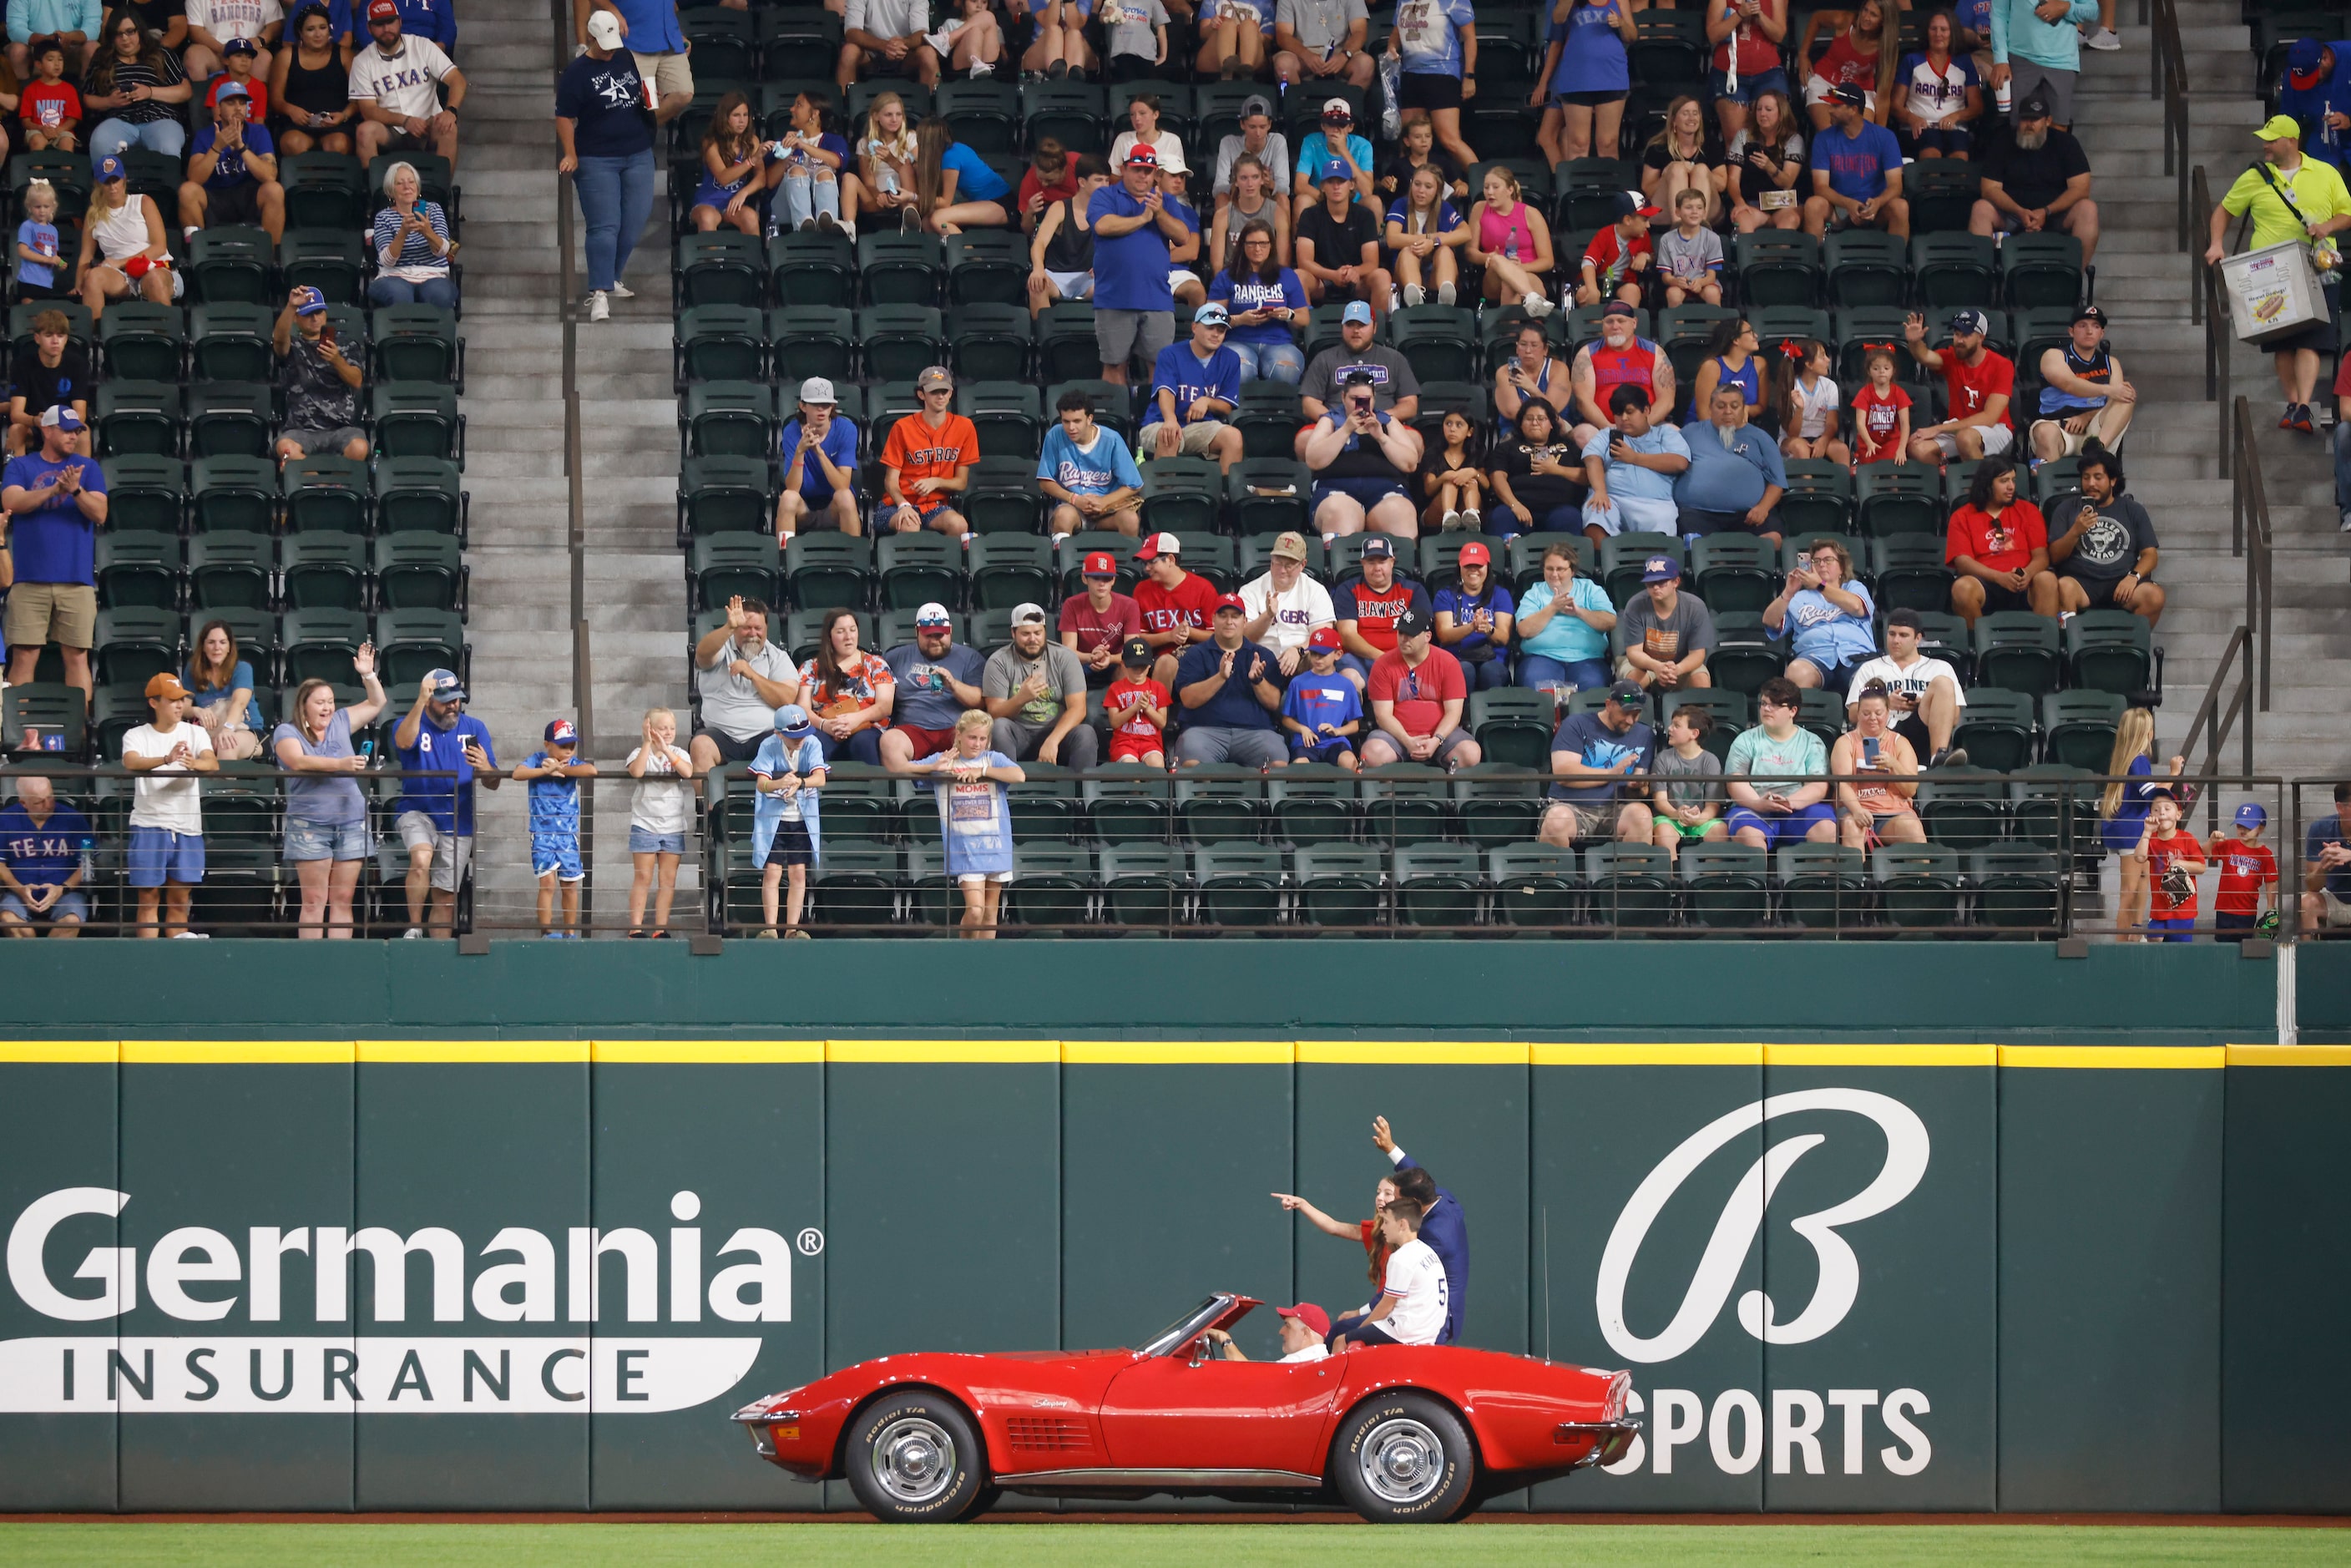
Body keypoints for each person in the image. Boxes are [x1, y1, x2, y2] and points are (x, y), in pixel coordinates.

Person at [2209, 116, 2351, 436]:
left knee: (2311, 339)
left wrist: (2327, 227)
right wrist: (2217, 243)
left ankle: (2303, 404)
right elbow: (2223, 211)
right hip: (2270, 271)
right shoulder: (2254, 176)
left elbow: (2347, 213)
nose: (2265, 145)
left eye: (2271, 140)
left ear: (2291, 140)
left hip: (2317, 265)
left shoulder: (2326, 173)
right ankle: (2293, 404)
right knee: (2282, 341)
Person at [271, 650, 387, 938]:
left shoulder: (341, 721)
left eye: (330, 701)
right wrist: (340, 765)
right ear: (304, 706)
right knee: (313, 901)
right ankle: (312, 965)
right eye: (320, 702)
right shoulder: (286, 731)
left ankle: (339, 963)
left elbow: (377, 702)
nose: (327, 707)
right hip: (310, 825)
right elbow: (298, 761)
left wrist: (368, 674)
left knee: (343, 900)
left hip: (351, 822)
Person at [2, 406, 106, 706]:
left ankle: (79, 734)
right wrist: (52, 490)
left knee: (77, 657)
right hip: (28, 579)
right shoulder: (21, 466)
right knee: (24, 656)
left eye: (76, 431)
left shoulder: (88, 468)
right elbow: (12, 501)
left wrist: (75, 491)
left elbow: (100, 513)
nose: (73, 436)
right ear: (47, 430)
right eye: (66, 430)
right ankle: (17, 738)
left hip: (76, 580)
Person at [557, 11, 653, 323]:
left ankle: (611, 277)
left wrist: (651, 99)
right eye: (604, 45)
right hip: (597, 157)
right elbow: (563, 117)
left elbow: (635, 91)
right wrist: (570, 154)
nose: (610, 50)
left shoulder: (624, 57)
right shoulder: (577, 73)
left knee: (635, 219)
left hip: (637, 151)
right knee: (604, 225)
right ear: (591, 38)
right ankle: (599, 293)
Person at [391, 667, 498, 938]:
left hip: (458, 818)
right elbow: (403, 742)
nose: (453, 705)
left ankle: (436, 960)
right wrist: (419, 702)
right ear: (429, 699)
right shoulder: (410, 722)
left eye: (456, 698)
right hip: (417, 809)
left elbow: (493, 782)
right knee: (421, 858)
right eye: (446, 699)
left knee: (446, 900)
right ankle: (414, 927)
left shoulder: (474, 728)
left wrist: (485, 766)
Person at [910, 709, 1023, 936]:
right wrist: (933, 767)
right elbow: (905, 769)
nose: (977, 744)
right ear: (959, 735)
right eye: (972, 737)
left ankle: (984, 962)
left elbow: (1019, 775)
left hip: (996, 843)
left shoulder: (993, 759)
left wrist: (982, 770)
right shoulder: (944, 759)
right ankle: (965, 957)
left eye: (983, 739)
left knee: (990, 912)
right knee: (975, 910)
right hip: (963, 847)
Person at [124, 672, 217, 938]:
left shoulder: (195, 732)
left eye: (182, 700)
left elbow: (212, 763)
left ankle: (176, 968)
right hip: (149, 825)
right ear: (154, 703)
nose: (180, 705)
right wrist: (167, 758)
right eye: (173, 700)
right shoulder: (136, 735)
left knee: (179, 900)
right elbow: (131, 761)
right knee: (149, 899)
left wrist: (193, 764)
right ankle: (149, 966)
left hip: (188, 827)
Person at [1093, 144, 1190, 384]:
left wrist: (1158, 213)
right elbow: (1103, 226)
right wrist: (1143, 218)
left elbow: (1183, 236)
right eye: (1137, 169)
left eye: (1148, 170)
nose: (1142, 175)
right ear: (1124, 169)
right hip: (1114, 297)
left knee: (1160, 367)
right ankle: (1115, 421)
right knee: (1114, 365)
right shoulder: (1105, 196)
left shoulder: (1165, 201)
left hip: (1156, 297)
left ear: (1155, 173)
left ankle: (1155, 421)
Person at [1969, 96, 2098, 260]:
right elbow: (1989, 189)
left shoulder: (2066, 143)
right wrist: (2019, 211)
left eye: (2035, 119)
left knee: (2088, 209)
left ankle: (2074, 280)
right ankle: (1985, 280)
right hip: (2012, 214)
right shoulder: (2002, 141)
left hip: (2054, 214)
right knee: (1981, 209)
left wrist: (2046, 211)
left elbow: (2081, 188)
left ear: (2048, 121)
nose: (2029, 124)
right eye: (2025, 119)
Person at [1305, 366, 1424, 539]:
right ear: (1343, 397)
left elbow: (1410, 463)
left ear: (1374, 399)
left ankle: (1401, 565)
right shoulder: (1330, 421)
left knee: (1401, 515)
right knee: (1339, 512)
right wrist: (1345, 430)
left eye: (1366, 399)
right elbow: (1313, 460)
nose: (1359, 404)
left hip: (1385, 490)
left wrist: (1382, 438)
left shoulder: (1387, 421)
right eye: (1354, 398)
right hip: (1335, 488)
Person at [2048, 449, 2162, 625]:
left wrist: (2133, 577)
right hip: (2081, 583)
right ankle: (2071, 647)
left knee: (2155, 596)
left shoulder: (2133, 510)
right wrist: (2075, 531)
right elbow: (2055, 557)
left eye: (2098, 477)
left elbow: (2150, 555)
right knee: (2063, 587)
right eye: (2086, 477)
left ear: (2113, 480)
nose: (2091, 483)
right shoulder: (2066, 508)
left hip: (2122, 582)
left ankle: (2129, 648)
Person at [1538, 678, 1656, 847]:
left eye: (1636, 714)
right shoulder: (1576, 724)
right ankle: (1553, 874)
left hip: (1616, 809)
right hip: (1572, 807)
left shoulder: (1645, 735)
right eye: (1625, 713)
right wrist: (1611, 774)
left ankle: (1632, 874)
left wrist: (1638, 787)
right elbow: (1564, 774)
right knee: (1557, 820)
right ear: (1609, 705)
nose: (1630, 721)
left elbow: (1636, 793)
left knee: (1642, 815)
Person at [1173, 594, 1288, 767]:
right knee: (1192, 762)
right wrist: (1220, 677)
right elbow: (1188, 700)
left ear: (1245, 621)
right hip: (1204, 731)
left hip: (1255, 732)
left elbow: (1273, 703)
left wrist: (1258, 680)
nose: (1229, 621)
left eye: (1235, 616)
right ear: (1213, 619)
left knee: (1278, 761)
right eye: (1223, 615)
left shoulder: (1262, 655)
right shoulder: (1196, 654)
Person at [1722, 676, 1835, 849]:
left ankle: (1819, 877)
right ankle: (1758, 877)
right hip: (1754, 808)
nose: (1767, 709)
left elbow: (1818, 786)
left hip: (1799, 808)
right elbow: (1735, 781)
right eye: (1764, 703)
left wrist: (1790, 802)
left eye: (1775, 705)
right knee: (1748, 834)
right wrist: (1757, 803)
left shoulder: (1812, 742)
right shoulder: (1745, 740)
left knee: (1826, 828)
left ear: (1792, 711)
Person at [1359, 607, 1478, 771]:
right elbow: (1383, 716)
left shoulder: (1448, 663)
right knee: (1372, 753)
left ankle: (1448, 794)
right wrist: (1408, 741)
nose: (1404, 639)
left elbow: (1454, 713)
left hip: (1441, 736)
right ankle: (1388, 795)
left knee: (1470, 753)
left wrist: (1436, 740)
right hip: (1396, 737)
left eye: (1411, 635)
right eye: (1401, 633)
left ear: (1427, 637)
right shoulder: (1383, 665)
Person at [1847, 607, 1967, 766]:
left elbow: (1955, 717)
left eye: (1903, 635)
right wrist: (1886, 704)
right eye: (1892, 634)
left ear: (1918, 638)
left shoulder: (1940, 667)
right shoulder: (1870, 668)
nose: (1896, 640)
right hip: (1883, 734)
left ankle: (1938, 758)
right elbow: (1853, 714)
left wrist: (1924, 705)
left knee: (1942, 683)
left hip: (1922, 732)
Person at [347, 0, 463, 167]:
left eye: (390, 22)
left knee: (449, 128)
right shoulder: (361, 62)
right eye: (379, 24)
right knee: (365, 131)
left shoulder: (423, 46)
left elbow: (457, 80)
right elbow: (368, 110)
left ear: (400, 22)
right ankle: (374, 190)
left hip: (428, 123)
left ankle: (442, 191)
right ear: (369, 28)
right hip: (390, 129)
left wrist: (451, 111)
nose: (387, 29)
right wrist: (404, 120)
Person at [983, 602, 1098, 769]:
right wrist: (1021, 699)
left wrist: (1052, 741)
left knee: (1086, 733)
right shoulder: (999, 661)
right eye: (1025, 634)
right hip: (1019, 735)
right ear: (1013, 633)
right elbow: (994, 712)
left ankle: (1081, 794)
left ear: (1045, 632)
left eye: (1038, 633)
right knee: (999, 727)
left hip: (1057, 735)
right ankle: (1007, 791)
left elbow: (1078, 709)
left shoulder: (1065, 658)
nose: (1032, 639)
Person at [690, 594, 797, 769]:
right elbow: (702, 654)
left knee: (788, 744)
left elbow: (787, 699)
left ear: (767, 628)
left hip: (766, 735)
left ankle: (777, 796)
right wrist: (728, 627)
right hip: (721, 735)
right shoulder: (721, 648)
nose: (753, 634)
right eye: (746, 628)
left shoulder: (778, 657)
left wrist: (753, 675)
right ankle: (709, 798)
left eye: (758, 628)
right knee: (700, 746)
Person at [1945, 457, 2055, 625]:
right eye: (2004, 481)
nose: (2011, 486)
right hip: (1985, 582)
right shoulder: (1962, 516)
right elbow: (1963, 562)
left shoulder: (2028, 510)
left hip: (2024, 581)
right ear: (1987, 484)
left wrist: (2029, 574)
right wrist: (1999, 577)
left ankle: (2044, 642)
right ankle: (1979, 645)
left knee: (2047, 580)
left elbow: (2041, 556)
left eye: (2013, 480)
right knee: (1962, 588)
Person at [513, 716, 595, 939]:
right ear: (547, 744)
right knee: (547, 883)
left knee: (569, 884)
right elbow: (517, 774)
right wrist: (546, 770)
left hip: (567, 835)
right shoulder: (537, 759)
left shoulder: (573, 764)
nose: (568, 751)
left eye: (571, 746)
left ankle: (570, 933)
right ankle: (546, 932)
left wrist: (561, 769)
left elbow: (591, 771)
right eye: (562, 746)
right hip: (542, 834)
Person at [2097, 706, 2177, 939]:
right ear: (2147, 733)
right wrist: (2174, 776)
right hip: (2132, 830)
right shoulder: (2139, 760)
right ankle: (2122, 943)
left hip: (2128, 827)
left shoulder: (2125, 758)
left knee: (2143, 880)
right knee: (2129, 890)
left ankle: (2135, 933)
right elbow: (2150, 795)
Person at [1676, 382, 1787, 544]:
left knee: (1773, 539)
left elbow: (1777, 482)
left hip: (1748, 515)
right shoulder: (1690, 432)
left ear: (1743, 409)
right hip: (1696, 513)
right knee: (1694, 543)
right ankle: (1716, 567)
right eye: (1721, 406)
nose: (1728, 411)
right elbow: (1670, 462)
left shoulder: (1761, 438)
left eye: (1734, 406)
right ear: (1710, 408)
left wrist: (1763, 508)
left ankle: (1743, 568)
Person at [881, 602, 988, 771]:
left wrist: (953, 684)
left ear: (950, 630)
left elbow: (979, 702)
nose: (935, 641)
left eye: (940, 635)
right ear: (917, 632)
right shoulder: (895, 657)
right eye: (928, 636)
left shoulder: (970, 658)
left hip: (956, 729)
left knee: (979, 738)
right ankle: (914, 779)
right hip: (912, 729)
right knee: (889, 741)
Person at [751, 704, 826, 939]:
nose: (800, 740)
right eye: (794, 736)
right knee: (772, 873)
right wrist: (779, 783)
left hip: (802, 819)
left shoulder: (812, 744)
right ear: (779, 733)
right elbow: (761, 784)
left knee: (798, 874)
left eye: (803, 734)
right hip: (774, 820)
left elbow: (820, 778)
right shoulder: (768, 746)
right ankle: (771, 929)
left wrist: (800, 784)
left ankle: (792, 929)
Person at [1580, 383, 1690, 542]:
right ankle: (1605, 564)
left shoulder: (1665, 433)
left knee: (1661, 522)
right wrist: (1600, 491)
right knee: (1595, 511)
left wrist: (1634, 458)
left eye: (1629, 412)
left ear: (1646, 410)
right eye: (1618, 413)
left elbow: (1680, 463)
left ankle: (1640, 565)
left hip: (1656, 503)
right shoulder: (1607, 435)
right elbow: (1592, 460)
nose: (1623, 418)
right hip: (1612, 498)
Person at [1142, 302, 1244, 471]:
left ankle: (1224, 494)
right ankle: (1165, 494)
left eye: (1221, 330)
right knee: (1170, 435)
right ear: (1195, 327)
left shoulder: (1231, 359)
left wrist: (1207, 402)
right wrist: (1170, 420)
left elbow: (1226, 406)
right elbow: (1165, 391)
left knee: (1233, 437)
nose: (1216, 334)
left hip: (1201, 427)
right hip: (1159, 423)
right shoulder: (1170, 354)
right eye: (1210, 328)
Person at [1904, 307, 2015, 463]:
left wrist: (1938, 428)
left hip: (1997, 429)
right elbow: (1925, 357)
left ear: (1980, 337)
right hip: (1959, 427)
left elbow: (1989, 418)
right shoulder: (1953, 357)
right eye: (1957, 334)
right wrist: (1915, 342)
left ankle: (1980, 486)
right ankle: (1952, 482)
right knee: (1917, 446)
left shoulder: (2002, 365)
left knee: (1966, 438)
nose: (1959, 340)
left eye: (1966, 335)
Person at [1767, 537, 1876, 691]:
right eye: (1816, 561)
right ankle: (1807, 716)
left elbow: (1857, 607)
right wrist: (1788, 593)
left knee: (1871, 677)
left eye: (1828, 560)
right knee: (1796, 671)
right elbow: (1770, 622)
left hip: (1857, 657)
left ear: (1842, 567)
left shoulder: (1854, 587)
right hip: (1814, 658)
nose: (1822, 564)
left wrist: (1820, 585)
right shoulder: (1799, 598)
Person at [877, 366, 977, 536]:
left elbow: (961, 482)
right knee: (910, 525)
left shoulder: (965, 427)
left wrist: (936, 482)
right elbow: (890, 481)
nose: (940, 396)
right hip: (895, 505)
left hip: (935, 506)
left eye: (945, 391)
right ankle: (909, 563)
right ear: (921, 394)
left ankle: (943, 562)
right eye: (934, 392)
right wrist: (903, 505)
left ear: (951, 393)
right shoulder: (902, 427)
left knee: (959, 524)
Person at [272, 284, 367, 463]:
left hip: (340, 428)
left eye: (319, 312)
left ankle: (312, 477)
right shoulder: (293, 346)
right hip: (301, 429)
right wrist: (291, 306)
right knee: (285, 449)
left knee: (360, 448)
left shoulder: (347, 345)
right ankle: (324, 483)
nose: (315, 318)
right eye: (308, 314)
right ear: (296, 319)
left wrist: (336, 359)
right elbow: (278, 339)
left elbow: (356, 381)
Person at [1537, 0, 1637, 167]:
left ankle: (1610, 191)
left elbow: (1632, 35)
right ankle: (1578, 192)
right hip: (1576, 77)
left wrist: (1621, 24)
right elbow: (1558, 19)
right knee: (1578, 142)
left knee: (1608, 142)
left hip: (1612, 75)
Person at [81, 10, 191, 160]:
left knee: (167, 145)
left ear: (140, 31)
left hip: (160, 118)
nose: (125, 39)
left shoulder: (161, 53)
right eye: (118, 34)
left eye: (130, 32)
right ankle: (106, 184)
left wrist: (150, 92)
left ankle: (166, 184)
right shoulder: (103, 57)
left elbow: (185, 91)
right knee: (100, 142)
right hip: (119, 119)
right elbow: (88, 97)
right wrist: (109, 102)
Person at [2030, 305, 2134, 463]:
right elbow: (2070, 384)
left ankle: (2096, 451)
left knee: (2126, 397)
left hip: (2095, 430)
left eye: (2096, 326)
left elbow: (2116, 398)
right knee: (2045, 432)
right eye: (2082, 326)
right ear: (2071, 331)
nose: (2089, 331)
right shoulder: (2054, 355)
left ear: (2101, 333)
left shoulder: (2111, 363)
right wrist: (2108, 390)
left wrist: (2087, 416)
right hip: (2058, 426)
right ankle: (2047, 484)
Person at [791, 608, 894, 767]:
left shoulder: (876, 663)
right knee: (813, 744)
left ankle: (873, 791)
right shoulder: (810, 667)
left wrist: (856, 719)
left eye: (853, 630)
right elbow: (802, 708)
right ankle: (810, 790)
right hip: (824, 726)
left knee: (863, 743)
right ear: (829, 636)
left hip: (866, 726)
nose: (849, 637)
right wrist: (824, 725)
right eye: (841, 631)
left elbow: (885, 706)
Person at [1208, 219, 1307, 381]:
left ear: (1271, 245)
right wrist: (1240, 320)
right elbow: (1211, 318)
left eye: (1263, 243)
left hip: (1278, 342)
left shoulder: (1287, 276)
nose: (1257, 249)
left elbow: (1303, 319)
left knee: (1285, 372)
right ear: (1242, 245)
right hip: (1237, 341)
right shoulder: (1226, 277)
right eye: (1251, 243)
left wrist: (1288, 315)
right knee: (1239, 371)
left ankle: (1279, 407)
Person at [1803, 84, 1907, 238]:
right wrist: (1848, 204)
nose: (1829, 110)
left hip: (1875, 208)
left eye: (1836, 106)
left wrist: (1878, 202)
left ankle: (1895, 260)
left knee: (1901, 206)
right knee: (1813, 205)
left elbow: (1896, 185)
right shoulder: (1823, 138)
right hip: (1839, 208)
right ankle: (1815, 260)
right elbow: (1820, 187)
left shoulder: (1885, 137)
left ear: (1853, 109)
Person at [1384, 0, 1476, 173]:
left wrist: (1469, 75)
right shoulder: (1403, 1)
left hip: (1442, 73)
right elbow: (1396, 34)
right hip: (1411, 74)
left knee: (1449, 140)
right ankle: (1408, 191)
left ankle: (1483, 185)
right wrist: (1392, 47)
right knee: (1408, 141)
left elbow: (1470, 38)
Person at [76, 154, 174, 316]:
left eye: (116, 180)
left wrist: (120, 262)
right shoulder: (93, 214)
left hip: (152, 266)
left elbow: (159, 247)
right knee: (92, 277)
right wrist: (79, 285)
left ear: (124, 179)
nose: (113, 187)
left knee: (154, 279)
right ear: (98, 184)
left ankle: (168, 335)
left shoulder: (143, 202)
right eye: (107, 182)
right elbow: (86, 255)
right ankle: (96, 337)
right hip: (120, 276)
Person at [1037, 389, 1143, 539]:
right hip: (1073, 508)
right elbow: (1044, 481)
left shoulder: (1111, 439)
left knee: (1131, 520)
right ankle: (1061, 560)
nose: (1071, 428)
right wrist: (1075, 499)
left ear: (1089, 418)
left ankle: (1125, 561)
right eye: (1066, 421)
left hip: (1107, 511)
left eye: (1077, 421)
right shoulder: (1055, 436)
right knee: (1062, 515)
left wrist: (1104, 502)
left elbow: (1134, 484)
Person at [1298, 299, 1419, 429]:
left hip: (1384, 426)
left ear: (1375, 328)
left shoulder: (1394, 358)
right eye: (1350, 325)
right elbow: (1309, 404)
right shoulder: (1324, 358)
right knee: (1304, 439)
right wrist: (1337, 420)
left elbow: (1410, 404)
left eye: (1362, 325)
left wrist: (1382, 417)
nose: (1356, 330)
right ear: (1342, 327)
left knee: (1415, 440)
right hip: (1336, 428)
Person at [1513, 540, 1614, 696]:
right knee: (1537, 686)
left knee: (1593, 688)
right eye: (1549, 569)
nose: (1554, 574)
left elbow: (1610, 622)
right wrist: (1552, 608)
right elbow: (1524, 630)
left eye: (1560, 569)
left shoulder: (1590, 589)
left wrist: (1580, 612)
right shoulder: (1535, 593)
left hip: (1588, 659)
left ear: (1572, 571)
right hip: (1541, 657)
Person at [625, 706, 694, 938]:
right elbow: (636, 772)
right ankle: (635, 927)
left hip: (673, 825)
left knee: (668, 879)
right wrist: (648, 743)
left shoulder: (679, 753)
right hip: (645, 823)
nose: (667, 732)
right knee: (643, 877)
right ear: (649, 728)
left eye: (671, 728)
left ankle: (660, 928)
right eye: (662, 728)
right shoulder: (638, 752)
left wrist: (666, 750)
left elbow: (687, 772)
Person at [1831, 683, 1923, 848]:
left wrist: (1894, 765)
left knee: (1913, 828)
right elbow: (1842, 784)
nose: (1872, 718)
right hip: (1855, 807)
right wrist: (1858, 810)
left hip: (1892, 811)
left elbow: (1911, 790)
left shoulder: (1900, 743)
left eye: (1878, 713)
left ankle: (1921, 875)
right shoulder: (1845, 743)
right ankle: (1855, 874)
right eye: (1866, 713)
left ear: (1887, 713)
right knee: (1853, 826)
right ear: (1858, 714)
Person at [1569, 301, 1673, 447]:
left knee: (1673, 433)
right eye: (1609, 322)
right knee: (1583, 434)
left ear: (1634, 323)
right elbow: (1583, 401)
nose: (1615, 326)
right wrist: (1610, 428)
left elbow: (1666, 400)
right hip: (1601, 429)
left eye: (1621, 321)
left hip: (1649, 427)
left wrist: (1642, 426)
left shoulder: (1655, 352)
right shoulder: (1586, 354)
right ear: (1603, 325)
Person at [1985, 0, 2098, 134]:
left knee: (2059, 129)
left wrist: (2066, 8)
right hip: (2020, 59)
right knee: (2020, 127)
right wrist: (2000, 60)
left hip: (2062, 61)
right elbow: (1999, 14)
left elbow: (2093, 11)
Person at [1294, 156, 1390, 311]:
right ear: (1323, 186)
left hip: (1356, 279)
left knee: (1382, 276)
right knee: (1298, 276)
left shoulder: (1365, 215)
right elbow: (1304, 261)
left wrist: (1355, 271)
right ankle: (1306, 329)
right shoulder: (1310, 215)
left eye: (1341, 181)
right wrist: (1333, 275)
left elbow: (1372, 262)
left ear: (1351, 185)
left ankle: (1375, 329)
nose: (1336, 186)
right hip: (1321, 279)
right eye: (1330, 182)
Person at [1240, 529, 1337, 680]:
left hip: (1303, 659)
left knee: (1322, 660)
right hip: (1261, 658)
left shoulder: (1316, 591)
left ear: (1302, 564)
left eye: (1289, 565)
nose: (1282, 570)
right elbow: (1244, 638)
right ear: (1271, 560)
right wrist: (1268, 616)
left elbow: (1322, 637)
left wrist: (1298, 651)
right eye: (1278, 562)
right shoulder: (1250, 590)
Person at [0, 775, 89, 937]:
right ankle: (34, 961)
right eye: (39, 802)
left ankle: (49, 961)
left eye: (50, 798)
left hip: (65, 893)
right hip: (19, 893)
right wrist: (19, 889)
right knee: (8, 917)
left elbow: (88, 862)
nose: (48, 805)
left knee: (72, 919)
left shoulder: (74, 819)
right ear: (23, 803)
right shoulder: (4, 820)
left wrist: (63, 888)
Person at [1465, 164, 1557, 320]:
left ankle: (1509, 337)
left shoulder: (1531, 213)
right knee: (1498, 259)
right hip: (1492, 274)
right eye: (1486, 187)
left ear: (1510, 190)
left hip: (1529, 273)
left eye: (1495, 187)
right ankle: (1530, 296)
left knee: (1510, 284)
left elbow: (1548, 261)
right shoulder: (1479, 208)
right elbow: (1470, 252)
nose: (1490, 192)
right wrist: (1488, 258)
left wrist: (1519, 267)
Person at [775, 378, 861, 539]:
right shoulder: (791, 431)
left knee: (846, 496)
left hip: (833, 506)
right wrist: (800, 451)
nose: (821, 409)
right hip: (804, 507)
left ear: (832, 407)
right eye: (815, 405)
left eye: (826, 404)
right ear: (803, 406)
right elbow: (793, 487)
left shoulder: (846, 429)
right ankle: (784, 557)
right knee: (787, 498)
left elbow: (843, 484)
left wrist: (819, 452)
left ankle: (854, 555)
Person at [1489, 398, 1587, 537]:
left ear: (1551, 424)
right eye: (1529, 418)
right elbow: (1497, 476)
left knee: (1570, 518)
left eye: (1541, 418)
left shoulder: (1569, 446)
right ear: (1521, 424)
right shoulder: (1508, 447)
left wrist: (1556, 470)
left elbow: (1587, 476)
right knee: (1500, 517)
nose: (1535, 423)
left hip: (1560, 507)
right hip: (1517, 507)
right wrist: (1514, 505)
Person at [1617, 554, 1715, 691]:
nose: (1656, 587)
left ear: (1676, 582)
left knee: (1701, 680)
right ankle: (1629, 711)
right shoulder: (1635, 605)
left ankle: (1699, 713)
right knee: (1631, 684)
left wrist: (1677, 669)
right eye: (1651, 583)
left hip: (1682, 663)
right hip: (1646, 664)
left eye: (1662, 582)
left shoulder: (1695, 607)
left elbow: (1697, 654)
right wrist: (1657, 667)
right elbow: (1634, 654)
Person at [1132, 530, 1219, 685]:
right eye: (1145, 563)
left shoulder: (1203, 588)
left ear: (1171, 559)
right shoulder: (1141, 590)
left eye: (1152, 562)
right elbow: (1138, 637)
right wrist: (1170, 636)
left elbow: (1218, 636)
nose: (1147, 568)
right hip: (1155, 657)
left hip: (1199, 655)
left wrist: (1190, 632)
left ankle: (1158, 710)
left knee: (1167, 662)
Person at [1892, 8, 1979, 161]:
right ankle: (1931, 185)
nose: (1938, 34)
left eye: (1944, 29)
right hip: (1918, 128)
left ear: (1953, 33)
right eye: (1933, 29)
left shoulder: (1964, 62)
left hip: (1954, 127)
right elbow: (1895, 105)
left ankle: (1957, 185)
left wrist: (1956, 116)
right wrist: (1911, 118)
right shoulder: (1912, 60)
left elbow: (1977, 106)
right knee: (1931, 145)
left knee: (1959, 152)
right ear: (1927, 32)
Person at [1027, 154, 1106, 316]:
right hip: (1056, 276)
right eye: (1099, 180)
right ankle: (1045, 336)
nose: (1105, 186)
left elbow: (1119, 246)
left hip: (1089, 278)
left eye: (1107, 180)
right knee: (1036, 286)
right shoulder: (1060, 208)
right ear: (1082, 182)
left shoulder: (1108, 211)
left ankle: (1097, 338)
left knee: (1110, 287)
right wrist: (1038, 269)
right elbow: (1040, 243)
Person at [1797, 0, 1894, 129]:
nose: (1866, 17)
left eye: (1873, 15)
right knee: (1832, 135)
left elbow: (1883, 97)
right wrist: (1803, 54)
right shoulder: (1844, 20)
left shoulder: (1886, 47)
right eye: (1865, 10)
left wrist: (1882, 134)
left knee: (1861, 138)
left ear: (1883, 21)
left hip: (1861, 90)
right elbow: (1817, 18)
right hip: (1827, 82)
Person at [1706, 0, 1792, 147]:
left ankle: (1770, 169)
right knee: (1735, 139)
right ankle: (1735, 169)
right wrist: (1740, 14)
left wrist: (1760, 16)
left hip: (1768, 73)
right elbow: (1713, 35)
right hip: (1730, 75)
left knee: (1773, 132)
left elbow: (1779, 35)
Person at [1432, 540, 1513, 691]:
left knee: (1490, 671)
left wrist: (1488, 629)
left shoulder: (1501, 594)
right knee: (1464, 670)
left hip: (1493, 657)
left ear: (1487, 567)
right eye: (1468, 565)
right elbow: (1444, 635)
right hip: (1456, 657)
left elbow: (1503, 638)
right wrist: (1471, 627)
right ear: (1460, 567)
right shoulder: (1445, 595)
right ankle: (1462, 714)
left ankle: (1492, 714)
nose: (1473, 570)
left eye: (1479, 566)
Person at [270, 5, 352, 155]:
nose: (318, 34)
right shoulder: (286, 56)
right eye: (310, 29)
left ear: (329, 30)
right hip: (297, 124)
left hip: (336, 123)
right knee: (292, 143)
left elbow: (360, 98)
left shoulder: (345, 55)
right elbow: (276, 99)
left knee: (338, 145)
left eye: (322, 27)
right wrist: (290, 110)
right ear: (300, 33)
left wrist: (344, 115)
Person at [7, 310, 88, 461]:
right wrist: (36, 421)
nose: (55, 341)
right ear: (37, 338)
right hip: (35, 424)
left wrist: (60, 427)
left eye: (60, 336)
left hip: (65, 425)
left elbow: (80, 414)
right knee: (16, 430)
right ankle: (16, 482)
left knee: (84, 432)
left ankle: (80, 482)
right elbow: (16, 414)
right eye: (49, 335)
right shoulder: (21, 365)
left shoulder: (78, 364)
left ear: (66, 339)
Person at [1383, 164, 1466, 311]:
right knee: (1409, 251)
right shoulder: (1401, 204)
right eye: (1417, 184)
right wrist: (1429, 238)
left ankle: (1446, 299)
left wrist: (1435, 242)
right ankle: (1414, 300)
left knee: (1445, 251)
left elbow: (1466, 233)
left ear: (1438, 190)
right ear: (1411, 184)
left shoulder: (1444, 207)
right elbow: (1392, 239)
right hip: (1403, 273)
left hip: (1435, 274)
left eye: (1428, 187)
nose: (1421, 191)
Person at [1724, 87, 1805, 234]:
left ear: (1781, 114)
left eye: (1768, 109)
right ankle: (1753, 256)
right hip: (1752, 203)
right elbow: (1733, 179)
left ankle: (1779, 256)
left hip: (1785, 204)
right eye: (1759, 109)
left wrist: (1770, 167)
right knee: (1741, 220)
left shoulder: (1793, 139)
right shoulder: (1743, 137)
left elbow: (1787, 183)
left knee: (1789, 221)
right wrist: (1740, 203)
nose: (1762, 114)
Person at [913, 116, 1012, 236]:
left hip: (1001, 204)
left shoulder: (951, 157)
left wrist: (912, 197)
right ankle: (945, 254)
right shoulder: (948, 151)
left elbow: (945, 202)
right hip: (982, 203)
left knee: (938, 219)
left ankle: (970, 255)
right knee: (926, 222)